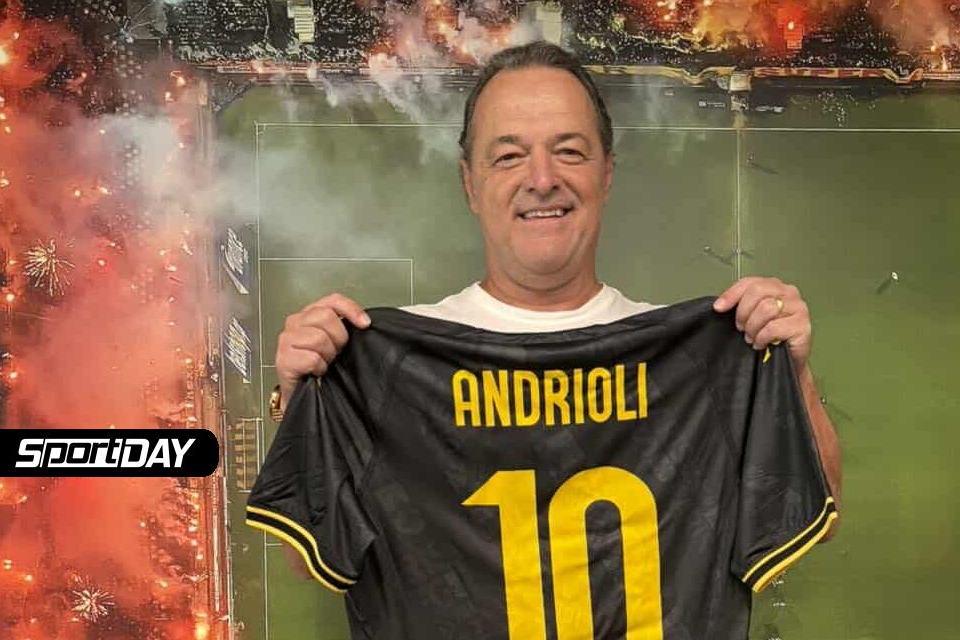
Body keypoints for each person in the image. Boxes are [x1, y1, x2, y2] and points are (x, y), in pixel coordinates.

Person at [267, 40, 842, 580]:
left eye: (569, 151)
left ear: (606, 172)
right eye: (509, 156)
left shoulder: (693, 363)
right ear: (470, 183)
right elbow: (308, 555)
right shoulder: (391, 368)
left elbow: (816, 513)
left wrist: (791, 373)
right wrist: (300, 398)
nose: (542, 179)